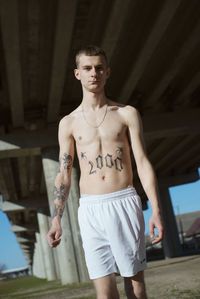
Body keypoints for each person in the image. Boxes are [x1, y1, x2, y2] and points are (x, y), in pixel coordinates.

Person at [46, 45, 164, 299]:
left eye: (99, 68)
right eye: (87, 68)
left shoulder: (126, 113)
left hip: (123, 202)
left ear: (107, 72)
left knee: (134, 287)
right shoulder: (68, 123)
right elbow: (64, 173)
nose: (94, 73)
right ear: (77, 73)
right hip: (90, 209)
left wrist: (156, 210)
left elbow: (142, 163)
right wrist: (57, 217)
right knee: (105, 293)